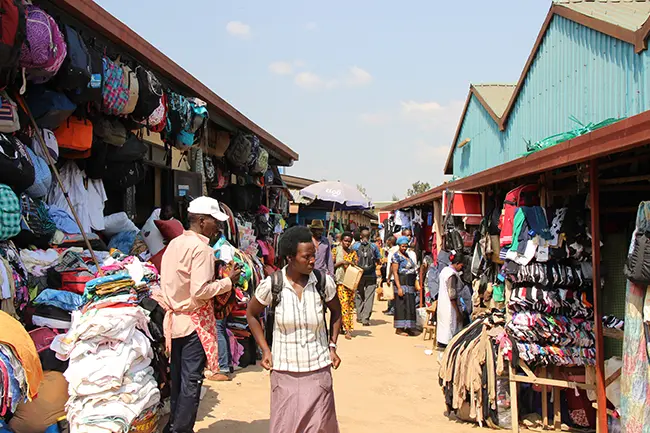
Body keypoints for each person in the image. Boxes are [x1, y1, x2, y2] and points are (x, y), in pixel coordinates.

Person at [246, 226, 342, 433]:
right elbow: (251, 314)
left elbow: (337, 313)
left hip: (318, 369)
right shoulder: (273, 284)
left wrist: (332, 346)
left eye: (314, 256)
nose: (312, 261)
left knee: (319, 427)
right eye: (306, 257)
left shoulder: (323, 283)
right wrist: (265, 350)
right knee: (286, 426)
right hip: (284, 370)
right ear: (290, 257)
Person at [159, 197, 241, 433]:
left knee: (179, 380)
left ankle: (173, 426)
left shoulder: (174, 244)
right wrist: (227, 282)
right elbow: (200, 292)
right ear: (203, 221)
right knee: (191, 382)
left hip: (176, 322)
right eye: (216, 222)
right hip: (194, 324)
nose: (218, 227)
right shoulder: (202, 250)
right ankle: (180, 429)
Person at [352, 227, 381, 326]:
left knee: (359, 294)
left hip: (359, 274)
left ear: (360, 236)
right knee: (369, 297)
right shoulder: (374, 247)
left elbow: (352, 259)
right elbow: (378, 260)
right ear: (369, 236)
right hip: (371, 275)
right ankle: (366, 319)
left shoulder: (355, 246)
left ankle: (359, 316)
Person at [436, 252, 465, 349]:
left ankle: (442, 343)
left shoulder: (444, 270)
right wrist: (457, 312)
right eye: (461, 265)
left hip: (443, 303)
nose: (462, 267)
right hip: (449, 305)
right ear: (457, 263)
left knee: (443, 325)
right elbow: (452, 295)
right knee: (450, 325)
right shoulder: (451, 275)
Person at [391, 236, 419, 336]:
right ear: (399, 246)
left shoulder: (408, 255)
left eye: (406, 246)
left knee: (410, 305)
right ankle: (399, 329)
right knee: (401, 305)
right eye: (402, 246)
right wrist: (398, 287)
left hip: (410, 283)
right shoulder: (396, 256)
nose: (404, 248)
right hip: (402, 282)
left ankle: (409, 327)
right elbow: (395, 273)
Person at [334, 232, 357, 339]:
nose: (347, 243)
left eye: (349, 241)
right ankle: (347, 330)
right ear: (341, 240)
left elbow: (356, 265)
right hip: (340, 282)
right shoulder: (335, 251)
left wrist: (351, 264)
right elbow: (331, 265)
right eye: (345, 241)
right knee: (343, 305)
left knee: (350, 305)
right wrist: (341, 263)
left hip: (350, 282)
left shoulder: (353, 252)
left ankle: (345, 326)